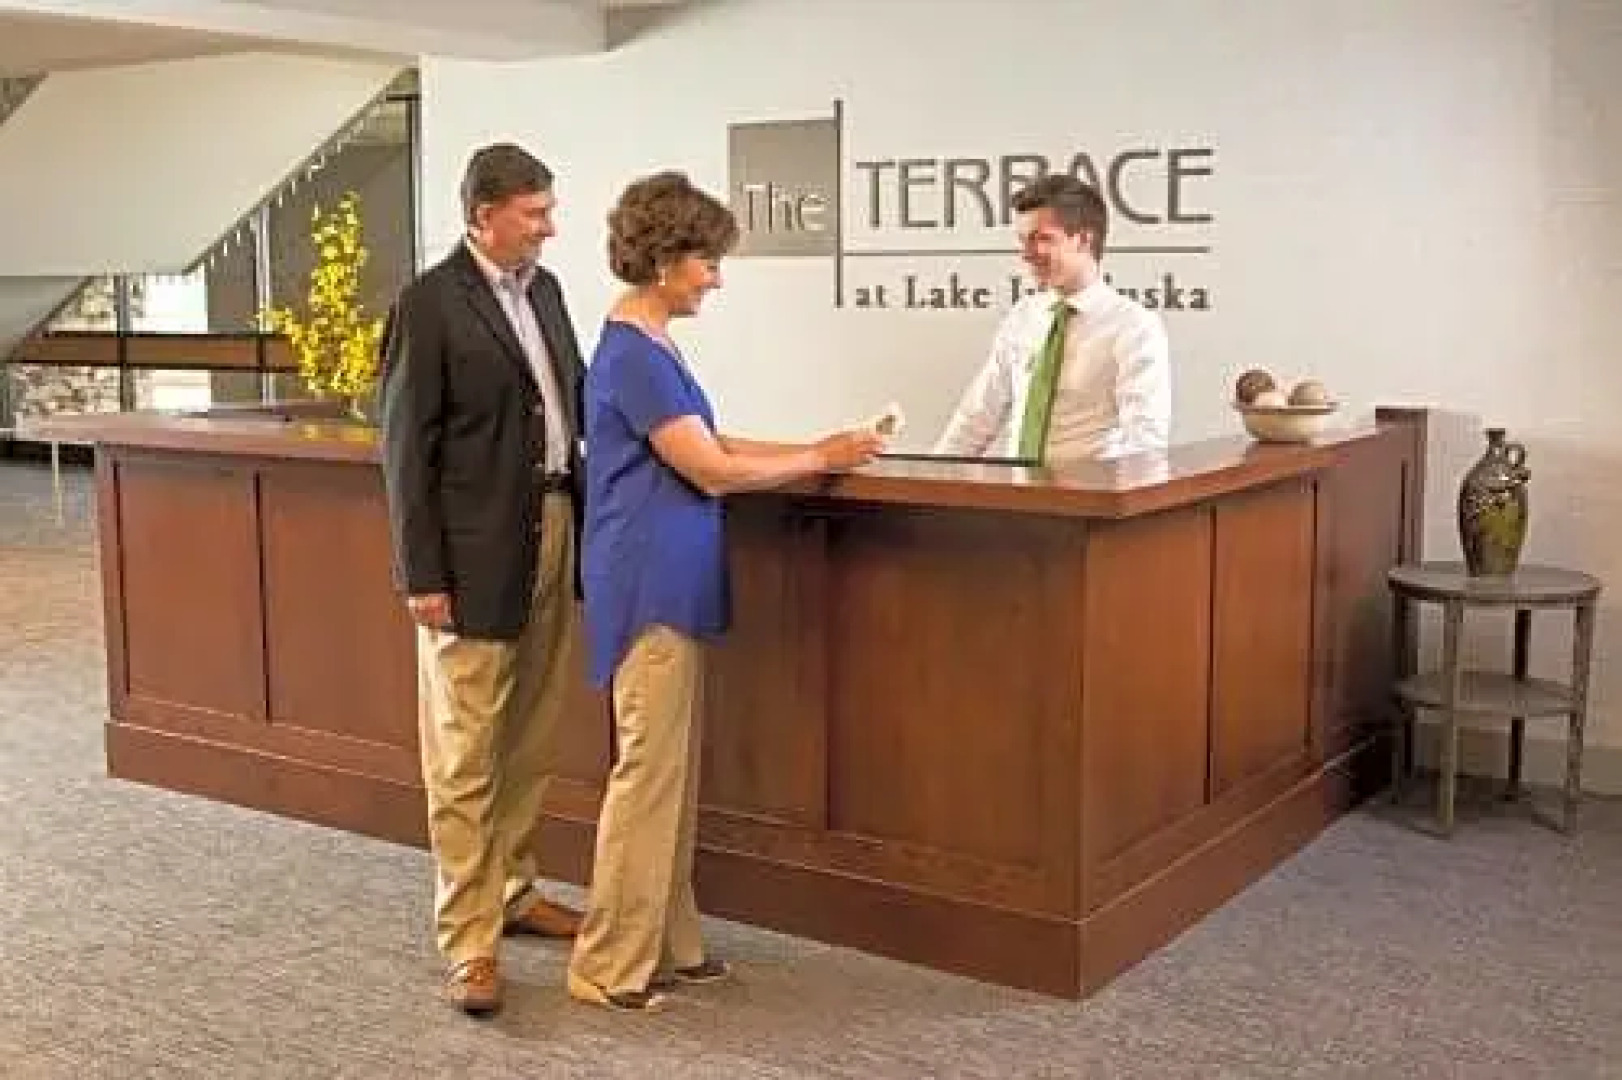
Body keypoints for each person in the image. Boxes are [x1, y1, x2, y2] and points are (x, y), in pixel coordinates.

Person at [566, 171, 884, 1012]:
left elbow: (710, 438)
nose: (716, 277)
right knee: (648, 770)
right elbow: (707, 466)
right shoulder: (632, 353)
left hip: (670, 576)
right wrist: (818, 460)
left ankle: (666, 944)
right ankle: (607, 964)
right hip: (646, 582)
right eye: (707, 260)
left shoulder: (653, 346)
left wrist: (824, 445)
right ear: (668, 258)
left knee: (669, 770)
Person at [378, 142, 586, 1017]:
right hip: (467, 559)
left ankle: (514, 888)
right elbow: (401, 450)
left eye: (548, 210)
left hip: (552, 531)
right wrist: (422, 575)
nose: (548, 226)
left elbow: (568, 402)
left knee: (532, 736)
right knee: (464, 756)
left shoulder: (545, 290)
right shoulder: (429, 304)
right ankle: (470, 942)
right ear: (483, 216)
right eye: (534, 213)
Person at [933, 174, 1171, 464]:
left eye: (1041, 239)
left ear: (1084, 239)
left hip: (1090, 502)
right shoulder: (1023, 316)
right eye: (1023, 241)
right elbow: (977, 417)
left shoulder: (1134, 326)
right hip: (1015, 497)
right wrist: (931, 481)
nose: (1026, 255)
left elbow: (1145, 441)